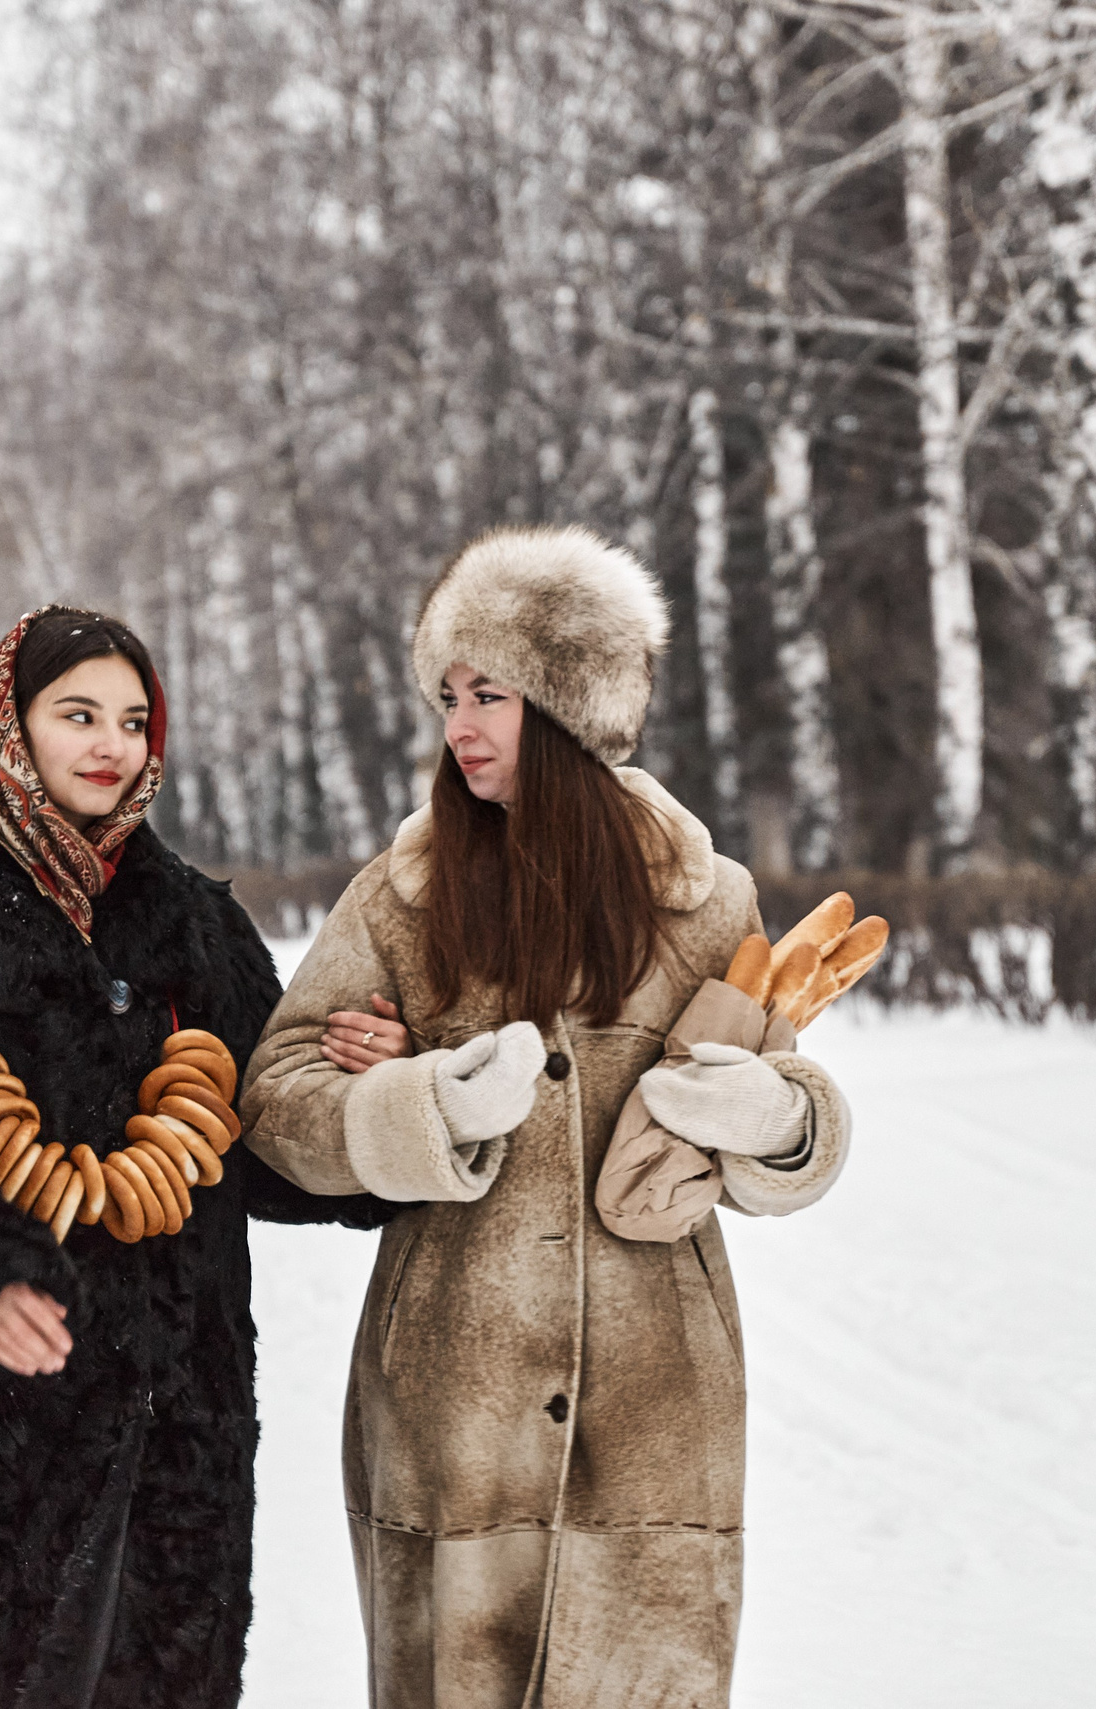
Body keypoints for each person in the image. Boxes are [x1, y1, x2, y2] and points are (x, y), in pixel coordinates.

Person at [240, 525, 853, 1709]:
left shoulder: (707, 899)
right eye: (447, 695)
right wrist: (414, 1101)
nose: (458, 725)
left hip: (656, 1417)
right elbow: (276, 1098)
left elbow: (795, 1142)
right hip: (449, 1415)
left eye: (490, 693)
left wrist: (772, 1114)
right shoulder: (404, 896)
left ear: (573, 704)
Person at [0, 605, 391, 1709]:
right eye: (77, 713)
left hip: (182, 1440)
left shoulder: (200, 933)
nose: (111, 744)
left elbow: (266, 1147)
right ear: (8, 723)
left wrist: (369, 1093)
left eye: (132, 718)